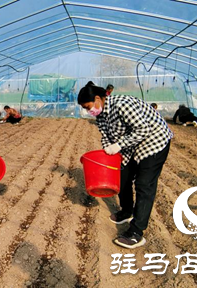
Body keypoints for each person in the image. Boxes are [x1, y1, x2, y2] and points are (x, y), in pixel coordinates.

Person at [78, 81, 173, 249]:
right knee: (122, 175)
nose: (89, 111)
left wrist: (119, 146)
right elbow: (106, 135)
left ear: (98, 98)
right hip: (130, 145)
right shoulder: (101, 115)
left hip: (153, 142)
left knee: (144, 184)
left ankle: (137, 232)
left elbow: (143, 130)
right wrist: (108, 149)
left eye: (88, 106)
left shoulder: (122, 105)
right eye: (86, 108)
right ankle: (127, 211)